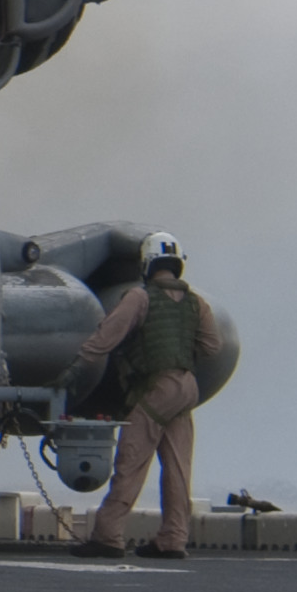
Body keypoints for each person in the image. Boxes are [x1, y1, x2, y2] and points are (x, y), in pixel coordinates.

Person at [73, 234, 214, 561]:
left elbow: (107, 336)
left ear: (147, 263)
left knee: (131, 460)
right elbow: (212, 346)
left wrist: (75, 367)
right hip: (186, 387)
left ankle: (108, 536)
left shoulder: (139, 297)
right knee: (178, 468)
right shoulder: (196, 302)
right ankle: (173, 540)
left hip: (157, 388)